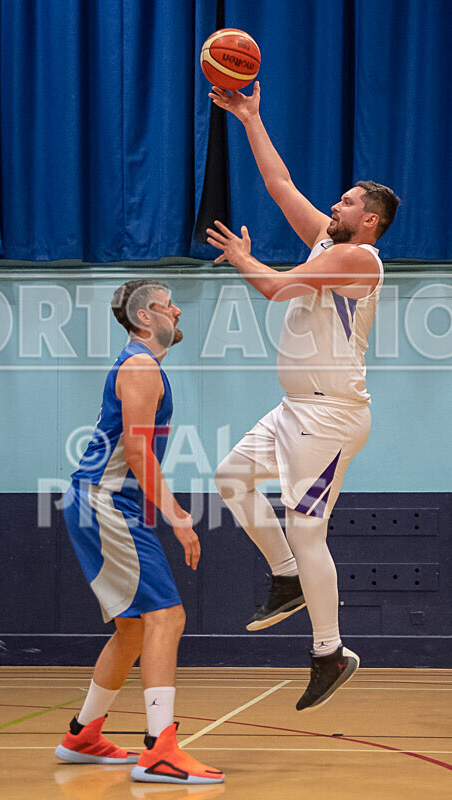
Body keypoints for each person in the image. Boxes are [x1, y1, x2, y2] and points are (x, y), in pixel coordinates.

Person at [207, 81, 400, 712]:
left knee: (307, 526)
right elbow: (281, 184)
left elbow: (276, 289)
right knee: (231, 477)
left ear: (368, 219)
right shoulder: (329, 239)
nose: (334, 205)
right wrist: (249, 117)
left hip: (331, 414)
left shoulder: (361, 260)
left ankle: (329, 652)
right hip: (295, 408)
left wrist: (242, 258)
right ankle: (286, 577)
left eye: (345, 202)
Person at [56, 280, 224, 784]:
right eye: (167, 303)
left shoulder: (144, 366)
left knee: (133, 626)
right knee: (167, 617)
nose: (177, 309)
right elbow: (135, 453)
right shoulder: (140, 366)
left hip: (102, 500)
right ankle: (161, 750)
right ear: (145, 317)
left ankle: (82, 735)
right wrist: (178, 517)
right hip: (105, 501)